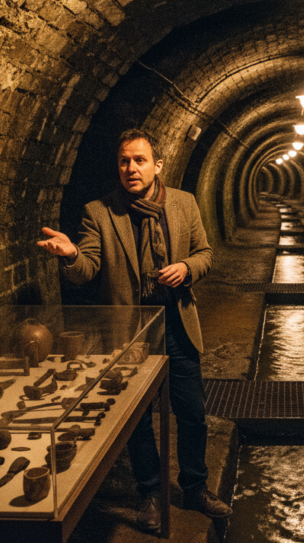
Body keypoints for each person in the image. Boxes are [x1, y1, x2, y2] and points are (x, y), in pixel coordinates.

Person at [37, 129, 231, 531]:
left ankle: (194, 487)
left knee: (192, 413)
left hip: (177, 323)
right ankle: (151, 492)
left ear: (157, 165)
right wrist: (72, 254)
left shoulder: (183, 203)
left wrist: (187, 268)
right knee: (138, 419)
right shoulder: (99, 212)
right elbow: (87, 268)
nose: (131, 168)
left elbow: (205, 254)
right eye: (125, 161)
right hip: (131, 332)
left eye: (140, 160)